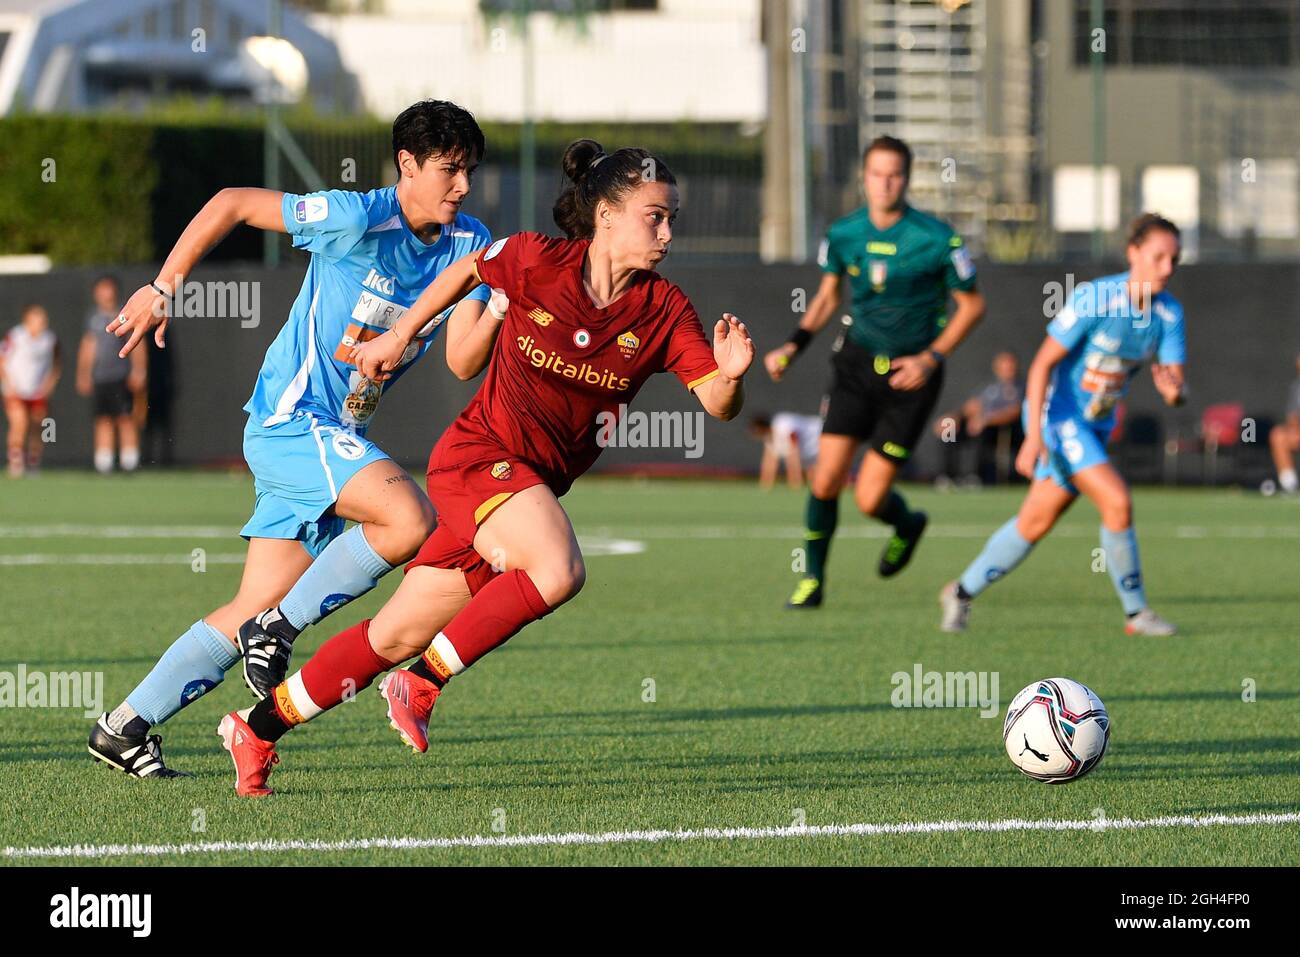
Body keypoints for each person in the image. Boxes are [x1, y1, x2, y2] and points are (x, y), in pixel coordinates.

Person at [215, 139, 755, 797]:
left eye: (672, 218)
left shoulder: (664, 308)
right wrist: (401, 333)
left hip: (520, 493)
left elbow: (718, 403)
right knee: (558, 569)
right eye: (655, 216)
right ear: (607, 216)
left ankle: (256, 728)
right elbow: (469, 270)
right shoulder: (536, 259)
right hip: (478, 462)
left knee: (392, 633)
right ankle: (422, 682)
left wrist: (730, 376)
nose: (668, 232)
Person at [88, 100, 502, 779]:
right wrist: (164, 286)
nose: (462, 186)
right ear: (407, 165)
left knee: (248, 604)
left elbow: (462, 358)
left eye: (470, 173)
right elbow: (231, 202)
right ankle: (279, 627)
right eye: (449, 170)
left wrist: (506, 303)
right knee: (410, 516)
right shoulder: (356, 216)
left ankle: (125, 724)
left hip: (332, 437)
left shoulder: (470, 243)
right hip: (291, 420)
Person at [940, 214, 1188, 637]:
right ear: (1133, 254)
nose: (1167, 268)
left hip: (1095, 428)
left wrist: (1172, 393)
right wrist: (1034, 434)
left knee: (1034, 522)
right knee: (1117, 501)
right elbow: (1040, 366)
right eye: (1158, 257)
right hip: (1059, 420)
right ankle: (1136, 614)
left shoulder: (1168, 314)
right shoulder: (1096, 299)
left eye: (1174, 260)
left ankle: (960, 592)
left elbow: (1176, 387)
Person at [763, 135, 986, 608]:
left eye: (895, 174)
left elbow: (972, 305)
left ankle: (907, 523)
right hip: (856, 366)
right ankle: (812, 582)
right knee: (824, 480)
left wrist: (932, 357)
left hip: (912, 378)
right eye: (876, 173)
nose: (885, 183)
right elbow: (827, 297)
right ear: (863, 178)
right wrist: (792, 346)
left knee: (869, 499)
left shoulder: (936, 238)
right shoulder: (844, 234)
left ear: (906, 179)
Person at [77, 276, 145, 474]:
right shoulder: (93, 317)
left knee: (125, 417)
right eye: (101, 290)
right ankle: (104, 462)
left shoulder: (124, 313)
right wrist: (84, 374)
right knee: (102, 419)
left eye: (107, 289)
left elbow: (137, 342)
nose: (104, 294)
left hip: (120, 376)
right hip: (100, 378)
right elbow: (88, 346)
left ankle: (130, 460)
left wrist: (139, 370)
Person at [933, 350, 1024, 485]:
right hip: (975, 425)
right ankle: (948, 476)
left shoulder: (1021, 387)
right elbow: (973, 405)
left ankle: (974, 476)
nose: (1007, 369)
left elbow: (1015, 411)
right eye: (1003, 366)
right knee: (949, 429)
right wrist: (955, 416)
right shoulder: (990, 387)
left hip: (1002, 430)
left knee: (980, 430)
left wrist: (986, 420)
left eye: (1010, 366)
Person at [1, 303, 60, 477]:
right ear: (27, 320)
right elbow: (2, 360)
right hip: (16, 390)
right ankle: (16, 463)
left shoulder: (50, 339)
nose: (41, 322)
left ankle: (33, 463)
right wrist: (9, 384)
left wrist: (49, 384)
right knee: (19, 423)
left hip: (37, 391)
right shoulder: (16, 336)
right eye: (36, 318)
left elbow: (57, 363)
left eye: (43, 318)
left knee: (38, 427)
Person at [750, 411, 821, 489]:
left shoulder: (784, 425)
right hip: (808, 447)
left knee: (818, 478)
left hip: (819, 434)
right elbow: (769, 460)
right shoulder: (768, 436)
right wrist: (765, 484)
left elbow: (794, 454)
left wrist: (795, 483)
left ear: (762, 428)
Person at [1268, 354, 1300, 493]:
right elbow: (1292, 417)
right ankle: (1289, 485)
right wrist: (1294, 429)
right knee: (1278, 435)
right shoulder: (1296, 387)